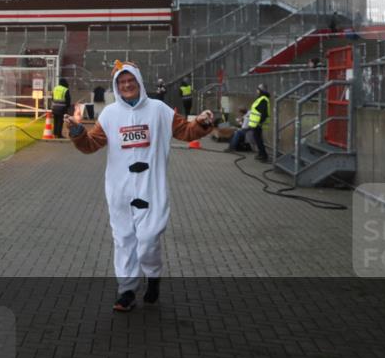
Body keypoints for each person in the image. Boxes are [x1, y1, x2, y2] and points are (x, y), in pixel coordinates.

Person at [64, 61, 215, 312]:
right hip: (120, 189)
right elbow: (90, 145)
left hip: (151, 188)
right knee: (123, 239)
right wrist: (78, 131)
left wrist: (201, 122)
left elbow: (186, 131)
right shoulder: (110, 115)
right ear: (117, 86)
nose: (126, 85)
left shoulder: (159, 110)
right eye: (121, 82)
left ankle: (153, 275)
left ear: (138, 82)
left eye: (130, 81)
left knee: (148, 239)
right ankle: (126, 291)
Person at [246, 84, 271, 161]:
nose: (256, 91)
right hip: (256, 123)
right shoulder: (261, 99)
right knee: (258, 139)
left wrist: (260, 122)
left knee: (258, 140)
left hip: (257, 124)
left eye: (258, 89)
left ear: (260, 90)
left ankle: (263, 155)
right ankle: (261, 154)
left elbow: (264, 113)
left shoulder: (263, 99)